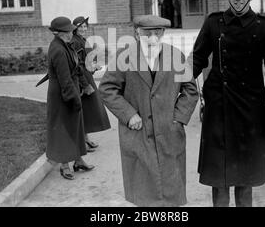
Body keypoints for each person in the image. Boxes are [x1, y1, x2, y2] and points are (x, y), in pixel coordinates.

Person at [190, 0, 265, 207]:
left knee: (245, 180)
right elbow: (197, 60)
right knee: (219, 182)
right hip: (218, 113)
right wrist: (174, 87)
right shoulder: (213, 23)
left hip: (250, 114)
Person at [99, 15, 198, 206]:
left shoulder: (175, 56)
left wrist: (178, 117)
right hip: (138, 133)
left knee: (170, 191)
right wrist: (128, 115)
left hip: (169, 133)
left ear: (163, 34)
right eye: (147, 33)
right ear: (137, 33)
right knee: (144, 192)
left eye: (157, 33)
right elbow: (107, 88)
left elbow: (191, 90)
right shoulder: (124, 57)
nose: (153, 38)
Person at [46, 16, 94, 180]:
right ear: (56, 33)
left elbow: (77, 67)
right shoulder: (58, 50)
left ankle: (78, 160)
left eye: (71, 30)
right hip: (61, 94)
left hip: (71, 89)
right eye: (67, 31)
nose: (70, 33)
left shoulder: (67, 45)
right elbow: (64, 80)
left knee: (76, 126)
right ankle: (64, 165)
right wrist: (73, 99)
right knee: (64, 128)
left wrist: (85, 85)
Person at [70, 16, 111, 150]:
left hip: (87, 75)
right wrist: (85, 80)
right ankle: (82, 141)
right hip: (82, 79)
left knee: (88, 109)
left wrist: (93, 66)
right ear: (74, 28)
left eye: (84, 26)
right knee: (84, 109)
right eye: (80, 27)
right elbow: (77, 64)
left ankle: (86, 138)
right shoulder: (75, 41)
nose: (82, 29)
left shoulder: (82, 39)